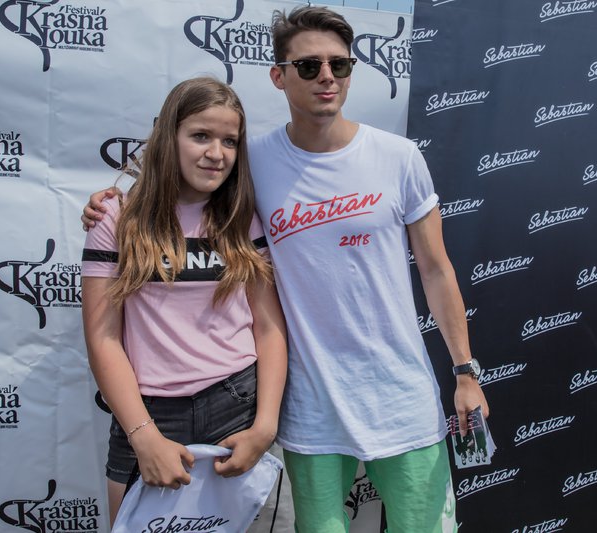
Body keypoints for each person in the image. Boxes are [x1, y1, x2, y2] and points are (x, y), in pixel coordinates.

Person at [83, 7, 489, 532]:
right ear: (279, 76)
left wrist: (465, 371)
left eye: (340, 65)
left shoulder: (399, 157)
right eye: (309, 65)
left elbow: (436, 271)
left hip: (399, 401)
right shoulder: (252, 164)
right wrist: (111, 202)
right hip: (310, 407)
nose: (327, 76)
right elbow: (177, 184)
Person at [81, 77, 287, 525]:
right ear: (168, 136)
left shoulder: (241, 219)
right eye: (200, 136)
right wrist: (143, 436)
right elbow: (103, 338)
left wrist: (265, 426)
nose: (217, 153)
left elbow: (269, 328)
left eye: (229, 141)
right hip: (148, 414)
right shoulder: (115, 218)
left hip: (238, 405)